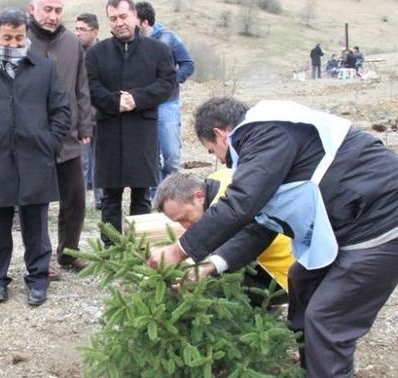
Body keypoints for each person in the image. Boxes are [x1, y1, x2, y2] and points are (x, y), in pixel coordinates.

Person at [147, 97, 398, 378]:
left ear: (221, 134)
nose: (220, 160)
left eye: (213, 151)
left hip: (391, 220)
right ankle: (311, 376)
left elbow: (241, 205)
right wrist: (209, 267)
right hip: (355, 223)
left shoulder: (265, 133)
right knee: (302, 280)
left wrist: (178, 251)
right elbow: (259, 226)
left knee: (328, 314)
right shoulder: (266, 148)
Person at [0, 8, 71, 307]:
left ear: (26, 34)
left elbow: (61, 111)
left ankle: (38, 279)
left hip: (36, 158)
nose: (14, 43)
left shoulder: (44, 68)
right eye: (8, 37)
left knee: (36, 225)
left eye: (19, 37)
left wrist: (49, 144)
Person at [86, 0, 176, 245]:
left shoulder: (158, 50)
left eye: (123, 16)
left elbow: (167, 83)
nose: (119, 23)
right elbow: (90, 86)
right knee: (110, 197)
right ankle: (110, 250)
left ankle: (140, 248)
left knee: (142, 195)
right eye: (113, 18)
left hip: (142, 129)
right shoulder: (96, 53)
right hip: (109, 129)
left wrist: (137, 98)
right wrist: (115, 101)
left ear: (135, 16)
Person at [154, 170, 293, 306]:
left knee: (220, 283)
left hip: (285, 271)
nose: (185, 226)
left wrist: (195, 266)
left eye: (184, 218)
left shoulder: (225, 210)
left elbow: (238, 245)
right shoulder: (218, 180)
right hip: (274, 255)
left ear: (199, 197)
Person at [26, 0, 93, 277]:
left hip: (68, 138)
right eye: (47, 9)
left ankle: (68, 253)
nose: (53, 16)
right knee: (36, 203)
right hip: (34, 138)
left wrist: (86, 126)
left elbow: (81, 87)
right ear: (32, 9)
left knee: (75, 198)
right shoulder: (21, 39)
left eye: (58, 10)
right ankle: (40, 260)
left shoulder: (72, 43)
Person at [135, 1, 196, 198]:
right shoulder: (133, 42)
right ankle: (156, 198)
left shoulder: (169, 38)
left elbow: (188, 64)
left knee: (171, 155)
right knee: (150, 157)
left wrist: (170, 81)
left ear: (144, 22)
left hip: (168, 104)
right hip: (144, 106)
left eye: (133, 19)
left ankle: (172, 194)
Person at [75, 12, 103, 211]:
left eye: (82, 30)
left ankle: (101, 199)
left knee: (100, 161)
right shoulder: (73, 54)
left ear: (94, 31)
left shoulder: (105, 53)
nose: (78, 33)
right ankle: (79, 202)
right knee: (81, 163)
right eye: (76, 29)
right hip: (80, 117)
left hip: (101, 116)